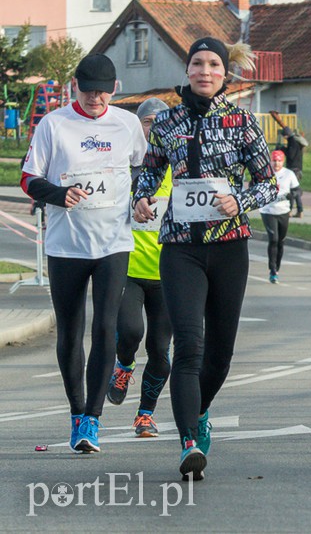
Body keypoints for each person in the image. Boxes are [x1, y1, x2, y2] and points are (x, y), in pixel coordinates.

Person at [133, 37, 278, 481]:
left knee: (220, 354)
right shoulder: (168, 121)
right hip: (180, 248)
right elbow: (152, 170)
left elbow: (269, 184)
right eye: (197, 63)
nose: (205, 71)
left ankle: (199, 412)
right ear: (188, 69)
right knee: (189, 348)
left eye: (213, 64)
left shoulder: (244, 121)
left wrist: (240, 200)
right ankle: (188, 443)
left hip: (230, 246)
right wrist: (141, 197)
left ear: (224, 73)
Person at [19, 54, 148, 453]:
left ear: (115, 88)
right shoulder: (54, 124)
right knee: (71, 331)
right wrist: (59, 195)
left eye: (104, 91)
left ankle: (93, 419)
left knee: (105, 327)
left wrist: (141, 198)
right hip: (66, 245)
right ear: (75, 85)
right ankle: (77, 413)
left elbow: (144, 169)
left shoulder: (127, 124)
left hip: (113, 242)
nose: (96, 98)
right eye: (89, 90)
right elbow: (28, 179)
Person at [106, 98, 173, 438]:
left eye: (162, 121)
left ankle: (145, 414)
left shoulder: (179, 168)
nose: (155, 126)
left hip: (169, 275)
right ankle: (124, 365)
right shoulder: (124, 167)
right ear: (137, 125)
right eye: (148, 121)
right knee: (131, 332)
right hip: (128, 269)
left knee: (160, 349)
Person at [259, 149, 300, 284]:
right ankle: (272, 270)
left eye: (279, 161)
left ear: (283, 161)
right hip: (268, 211)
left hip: (283, 211)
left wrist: (293, 198)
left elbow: (297, 191)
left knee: (281, 241)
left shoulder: (289, 174)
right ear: (270, 161)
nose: (276, 163)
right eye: (274, 160)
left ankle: (277, 267)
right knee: (274, 239)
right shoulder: (265, 174)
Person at [278, 126, 307, 218]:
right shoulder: (296, 142)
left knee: (293, 192)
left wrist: (283, 149)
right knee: (294, 191)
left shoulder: (292, 142)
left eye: (284, 136)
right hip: (297, 169)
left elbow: (291, 155)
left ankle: (294, 211)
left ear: (286, 135)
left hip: (294, 170)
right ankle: (298, 211)